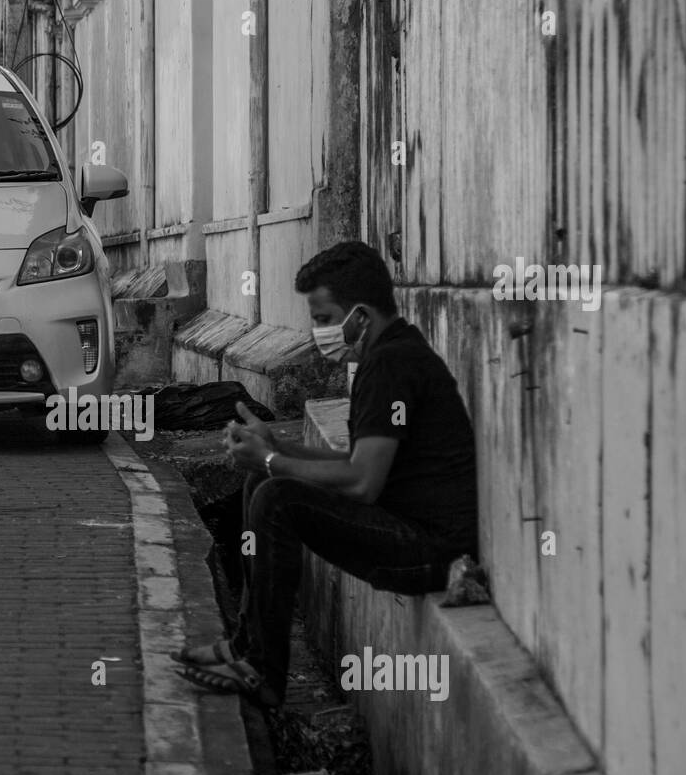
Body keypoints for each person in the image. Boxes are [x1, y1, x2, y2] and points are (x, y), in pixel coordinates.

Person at [174, 241, 479, 706]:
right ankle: (245, 644)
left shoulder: (391, 365)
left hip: (430, 550)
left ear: (358, 316)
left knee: (277, 499)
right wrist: (277, 448)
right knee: (262, 481)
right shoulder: (387, 355)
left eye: (323, 319)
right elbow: (355, 462)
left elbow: (362, 482)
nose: (318, 332)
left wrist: (273, 462)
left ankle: (264, 672)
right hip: (408, 529)